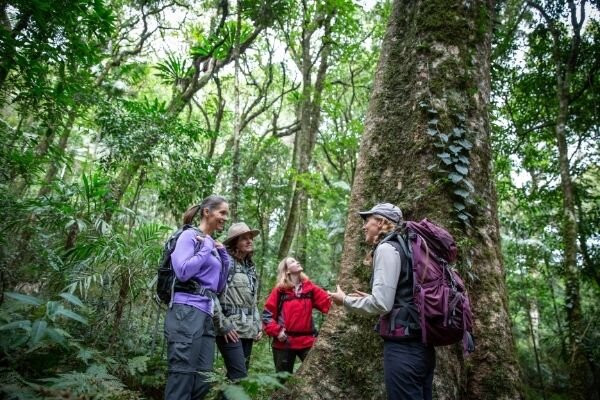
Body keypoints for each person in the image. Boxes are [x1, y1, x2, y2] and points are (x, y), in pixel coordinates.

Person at [329, 203, 436, 400]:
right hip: (422, 347)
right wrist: (370, 298)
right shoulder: (407, 247)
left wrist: (345, 301)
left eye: (367, 221)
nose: (363, 226)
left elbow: (382, 304)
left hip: (403, 350)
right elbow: (402, 295)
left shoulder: (387, 248)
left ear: (380, 222)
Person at [164, 195, 231, 400]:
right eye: (222, 213)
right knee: (182, 375)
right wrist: (206, 249)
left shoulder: (211, 243)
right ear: (207, 212)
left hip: (206, 314)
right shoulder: (189, 236)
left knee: (203, 379)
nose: (225, 218)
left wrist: (224, 258)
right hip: (186, 311)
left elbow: (218, 287)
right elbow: (183, 271)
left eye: (227, 214)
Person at [262, 257, 331, 375]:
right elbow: (267, 316)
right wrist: (277, 332)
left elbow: (329, 304)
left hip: (307, 342)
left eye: (296, 260)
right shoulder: (280, 291)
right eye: (292, 262)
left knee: (315, 375)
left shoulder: (310, 288)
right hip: (284, 343)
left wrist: (346, 300)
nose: (297, 262)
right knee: (282, 381)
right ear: (287, 270)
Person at [213, 222, 263, 381]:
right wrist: (223, 325)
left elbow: (252, 300)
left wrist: (258, 324)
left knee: (237, 378)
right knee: (239, 375)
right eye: (244, 239)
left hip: (247, 330)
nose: (250, 241)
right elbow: (211, 295)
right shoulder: (224, 262)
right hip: (230, 329)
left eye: (251, 238)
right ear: (234, 242)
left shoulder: (250, 267)